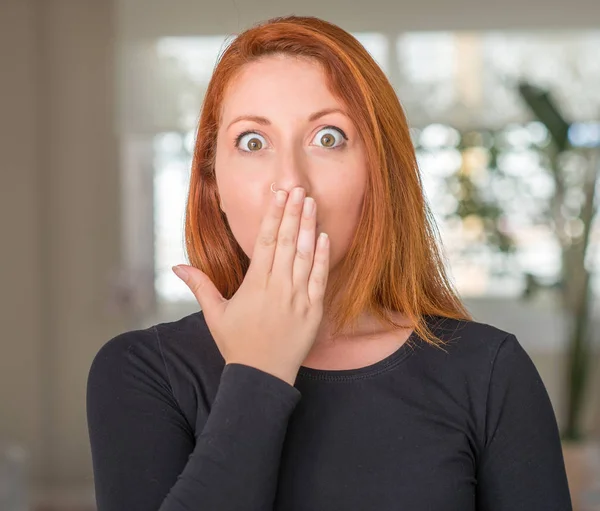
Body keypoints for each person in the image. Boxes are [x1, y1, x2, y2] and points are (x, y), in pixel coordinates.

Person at [86, 15, 573, 511]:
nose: (291, 182)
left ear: (378, 174)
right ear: (215, 186)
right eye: (253, 142)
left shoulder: (490, 372)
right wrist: (259, 371)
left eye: (328, 138)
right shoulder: (142, 373)